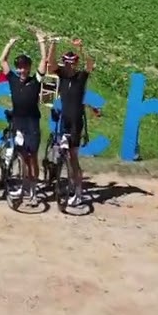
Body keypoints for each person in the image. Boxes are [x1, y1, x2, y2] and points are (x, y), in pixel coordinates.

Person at [42, 37, 95, 206]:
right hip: (64, 120)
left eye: (72, 63)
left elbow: (89, 64)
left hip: (75, 123)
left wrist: (82, 48)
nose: (69, 65)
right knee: (60, 152)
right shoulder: (62, 76)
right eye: (67, 62)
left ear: (75, 64)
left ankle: (77, 192)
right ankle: (60, 178)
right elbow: (50, 65)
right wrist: (53, 44)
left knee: (73, 158)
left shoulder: (81, 77)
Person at [0, 31, 46, 204]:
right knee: (23, 157)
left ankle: (33, 190)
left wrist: (41, 42)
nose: (22, 70)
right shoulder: (12, 79)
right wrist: (10, 44)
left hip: (32, 124)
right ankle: (24, 184)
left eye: (25, 67)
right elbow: (2, 61)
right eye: (19, 67)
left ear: (29, 68)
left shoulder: (36, 81)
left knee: (32, 157)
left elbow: (44, 61)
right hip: (17, 123)